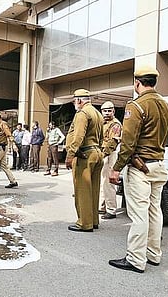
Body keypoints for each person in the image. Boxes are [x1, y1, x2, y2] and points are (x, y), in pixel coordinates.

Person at [108, 66, 168, 273]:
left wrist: (116, 168)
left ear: (137, 83)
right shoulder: (165, 105)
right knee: (155, 210)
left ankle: (136, 259)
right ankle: (154, 254)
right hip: (159, 165)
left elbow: (128, 143)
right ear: (154, 82)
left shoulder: (136, 106)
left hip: (140, 167)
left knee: (139, 214)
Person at [65, 88, 103, 232]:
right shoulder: (97, 113)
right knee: (93, 189)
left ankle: (84, 223)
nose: (75, 103)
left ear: (79, 100)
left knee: (83, 190)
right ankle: (93, 220)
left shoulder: (82, 113)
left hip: (85, 154)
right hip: (96, 153)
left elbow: (78, 136)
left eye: (75, 100)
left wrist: (70, 155)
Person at [99, 101, 122, 219]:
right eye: (105, 111)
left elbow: (112, 142)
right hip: (104, 153)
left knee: (109, 183)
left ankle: (111, 209)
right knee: (103, 182)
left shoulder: (115, 124)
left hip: (110, 153)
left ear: (113, 111)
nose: (107, 113)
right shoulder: (102, 123)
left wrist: (102, 154)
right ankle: (103, 206)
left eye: (109, 110)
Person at [0, 111, 18, 189]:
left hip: (1, 147)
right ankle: (13, 181)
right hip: (0, 147)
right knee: (4, 165)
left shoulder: (3, 124)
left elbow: (9, 135)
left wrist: (14, 145)